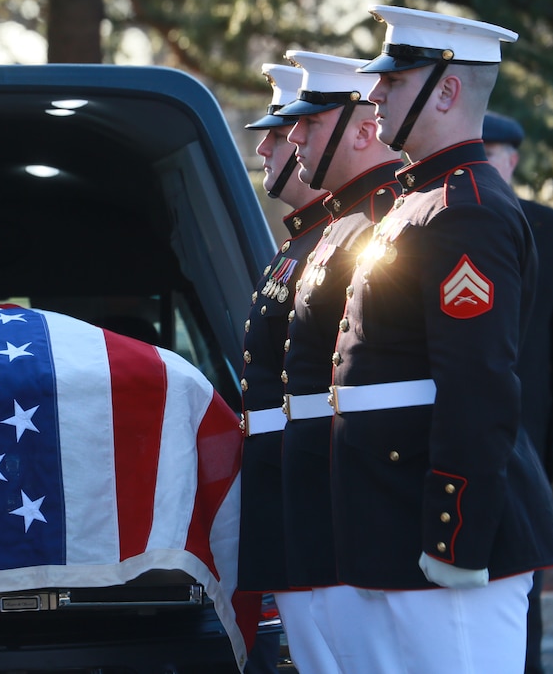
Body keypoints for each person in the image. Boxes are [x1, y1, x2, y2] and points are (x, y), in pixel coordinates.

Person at [326, 4, 553, 672]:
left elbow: (479, 386)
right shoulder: (422, 203)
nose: (374, 93)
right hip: (389, 521)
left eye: (394, 82)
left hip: (439, 534)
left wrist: (452, 536)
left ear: (449, 89)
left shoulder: (468, 212)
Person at [275, 50, 403, 672]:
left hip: (350, 486)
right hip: (310, 479)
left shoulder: (379, 219)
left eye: (308, 121)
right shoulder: (335, 224)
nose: (291, 136)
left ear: (362, 127)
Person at [237, 61, 337, 674]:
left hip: (321, 490)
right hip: (287, 482)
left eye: (286, 130)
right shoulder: (300, 243)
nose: (271, 144)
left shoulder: (343, 239)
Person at [483, 110, 553, 674]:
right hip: (458, 427)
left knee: (525, 572)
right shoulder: (437, 218)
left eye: (490, 155)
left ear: (511, 160)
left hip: (532, 428)